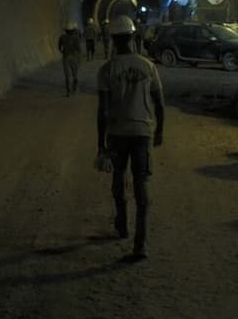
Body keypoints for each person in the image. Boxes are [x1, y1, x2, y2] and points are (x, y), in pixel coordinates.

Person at [97, 15, 165, 259]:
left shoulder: (107, 69)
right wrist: (160, 130)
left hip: (117, 133)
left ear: (113, 39)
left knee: (118, 178)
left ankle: (122, 224)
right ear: (133, 36)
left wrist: (100, 145)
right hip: (142, 132)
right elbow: (159, 102)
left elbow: (103, 111)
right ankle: (140, 244)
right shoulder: (148, 66)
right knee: (141, 185)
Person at [58, 21, 82, 96]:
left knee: (67, 75)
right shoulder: (76, 38)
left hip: (65, 57)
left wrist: (62, 51)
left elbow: (59, 47)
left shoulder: (62, 37)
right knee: (74, 74)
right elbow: (79, 49)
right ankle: (74, 86)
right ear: (73, 30)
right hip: (74, 57)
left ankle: (68, 91)